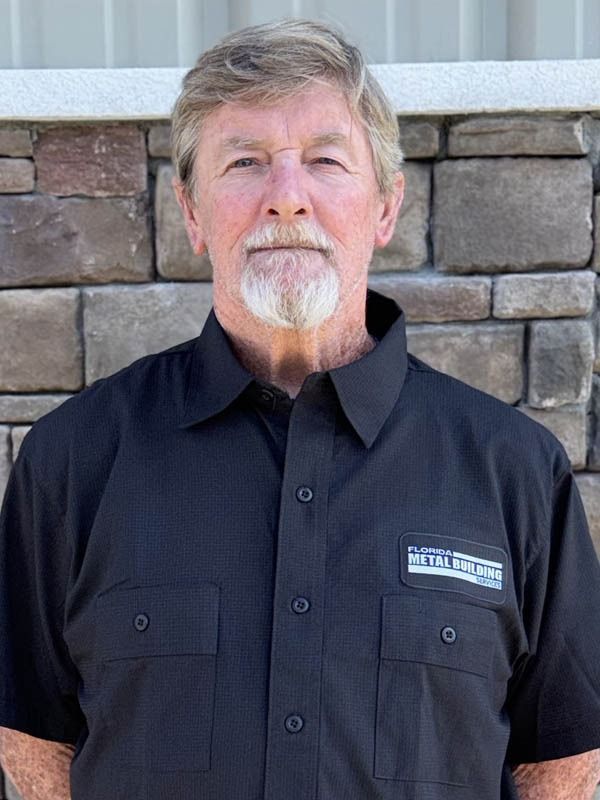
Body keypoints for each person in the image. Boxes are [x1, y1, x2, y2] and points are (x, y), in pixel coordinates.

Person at [1, 17, 600, 800]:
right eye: (246, 162)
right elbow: (33, 740)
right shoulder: (73, 462)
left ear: (385, 207)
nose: (287, 199)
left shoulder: (513, 470)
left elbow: (562, 762)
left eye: (325, 160)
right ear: (192, 214)